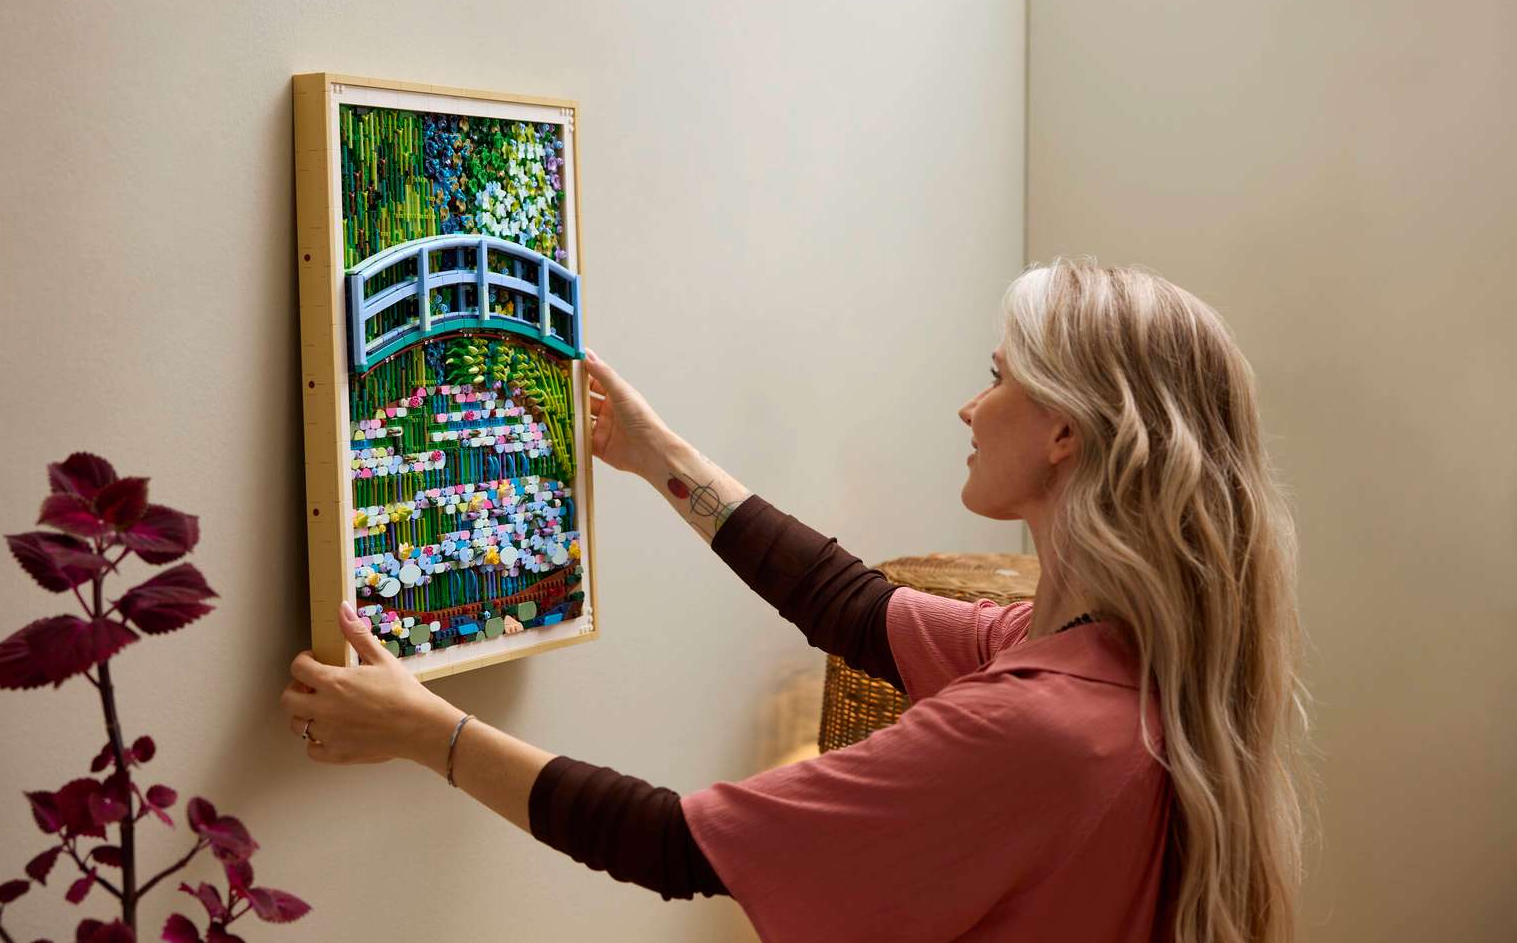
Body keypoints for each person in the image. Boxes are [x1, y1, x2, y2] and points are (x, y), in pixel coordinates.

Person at [281, 256, 1315, 943]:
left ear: (1064, 433)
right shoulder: (1109, 659)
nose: (970, 402)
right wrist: (659, 457)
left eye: (997, 375)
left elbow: (677, 844)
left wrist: (426, 730)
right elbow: (853, 607)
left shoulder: (1037, 724)